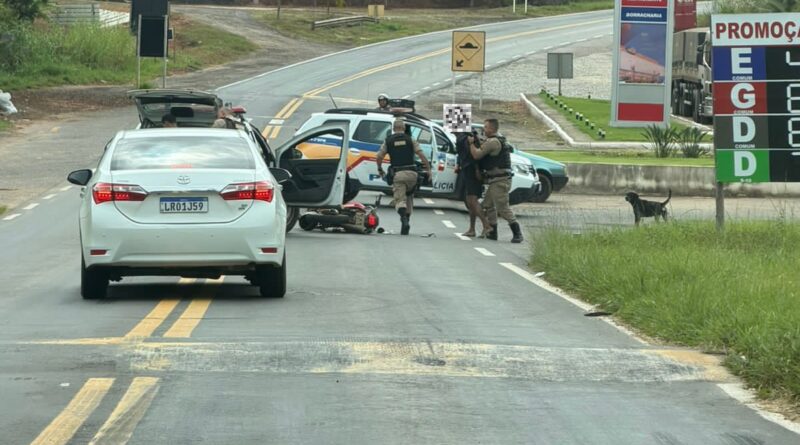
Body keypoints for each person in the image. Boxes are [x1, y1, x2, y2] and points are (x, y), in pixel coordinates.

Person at [469, 118, 523, 243]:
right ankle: (493, 231)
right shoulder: (498, 140)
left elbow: (476, 155)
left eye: (486, 127)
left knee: (503, 208)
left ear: (492, 129)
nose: (484, 130)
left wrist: (471, 143)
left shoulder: (493, 142)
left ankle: (517, 233)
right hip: (497, 180)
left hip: (500, 180)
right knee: (488, 205)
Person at [376, 118, 432, 235]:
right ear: (404, 128)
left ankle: (404, 220)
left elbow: (379, 156)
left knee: (400, 200)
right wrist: (428, 169)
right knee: (409, 197)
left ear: (393, 129)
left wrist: (380, 168)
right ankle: (406, 223)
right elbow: (421, 154)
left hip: (398, 175)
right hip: (412, 175)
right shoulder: (410, 139)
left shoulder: (388, 141)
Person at [455, 131, 491, 238]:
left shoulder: (465, 137)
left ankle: (486, 225)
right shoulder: (464, 136)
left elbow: (472, 156)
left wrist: (476, 170)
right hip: (468, 170)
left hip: (471, 171)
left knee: (472, 200)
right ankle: (472, 229)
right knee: (469, 201)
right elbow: (462, 155)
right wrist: (459, 164)